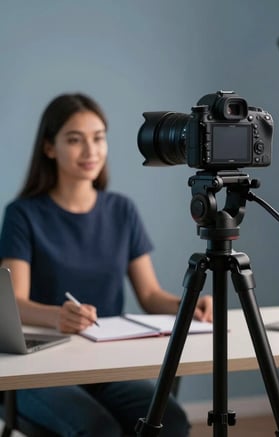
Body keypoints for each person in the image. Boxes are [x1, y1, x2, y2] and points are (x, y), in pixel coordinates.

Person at [0, 93, 213, 437]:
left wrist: (188, 305)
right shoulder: (23, 214)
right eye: (74, 139)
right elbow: (15, 304)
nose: (90, 151)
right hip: (39, 368)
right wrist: (58, 316)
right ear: (50, 148)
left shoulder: (121, 210)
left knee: (170, 420)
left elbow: (149, 294)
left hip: (104, 364)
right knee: (99, 429)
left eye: (98, 138)